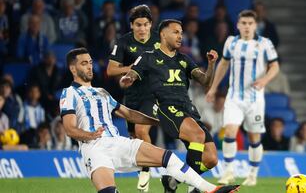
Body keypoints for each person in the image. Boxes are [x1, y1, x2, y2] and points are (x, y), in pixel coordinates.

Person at [61, 47, 240, 193]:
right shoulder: (69, 93)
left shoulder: (102, 92)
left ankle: (211, 190)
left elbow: (129, 114)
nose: (90, 67)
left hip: (116, 142)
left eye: (91, 63)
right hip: (94, 148)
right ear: (73, 68)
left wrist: (157, 121)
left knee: (168, 158)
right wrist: (90, 134)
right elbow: (69, 128)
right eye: (84, 64)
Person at [121, 19, 220, 193]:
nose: (180, 36)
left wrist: (211, 65)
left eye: (181, 33)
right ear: (163, 34)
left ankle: (172, 180)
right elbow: (131, 75)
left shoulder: (183, 60)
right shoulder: (148, 57)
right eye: (175, 32)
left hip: (188, 110)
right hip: (167, 108)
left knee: (211, 159)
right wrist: (127, 79)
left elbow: (206, 81)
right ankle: (194, 188)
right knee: (197, 135)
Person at [206, 10, 280, 186]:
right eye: (244, 23)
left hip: (255, 99)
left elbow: (275, 66)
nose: (247, 27)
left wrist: (264, 80)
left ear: (255, 25)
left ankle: (252, 174)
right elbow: (223, 64)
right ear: (238, 25)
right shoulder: (231, 42)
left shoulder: (264, 43)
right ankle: (228, 172)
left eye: (250, 23)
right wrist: (213, 88)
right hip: (234, 97)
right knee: (230, 132)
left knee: (254, 138)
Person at [106, 4, 160, 192]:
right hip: (132, 95)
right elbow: (111, 70)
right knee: (133, 137)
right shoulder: (123, 42)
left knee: (141, 129)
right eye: (138, 25)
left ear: (151, 24)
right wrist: (132, 68)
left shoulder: (159, 41)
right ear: (132, 25)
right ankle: (143, 176)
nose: (142, 29)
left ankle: (146, 170)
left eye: (145, 24)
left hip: (153, 94)